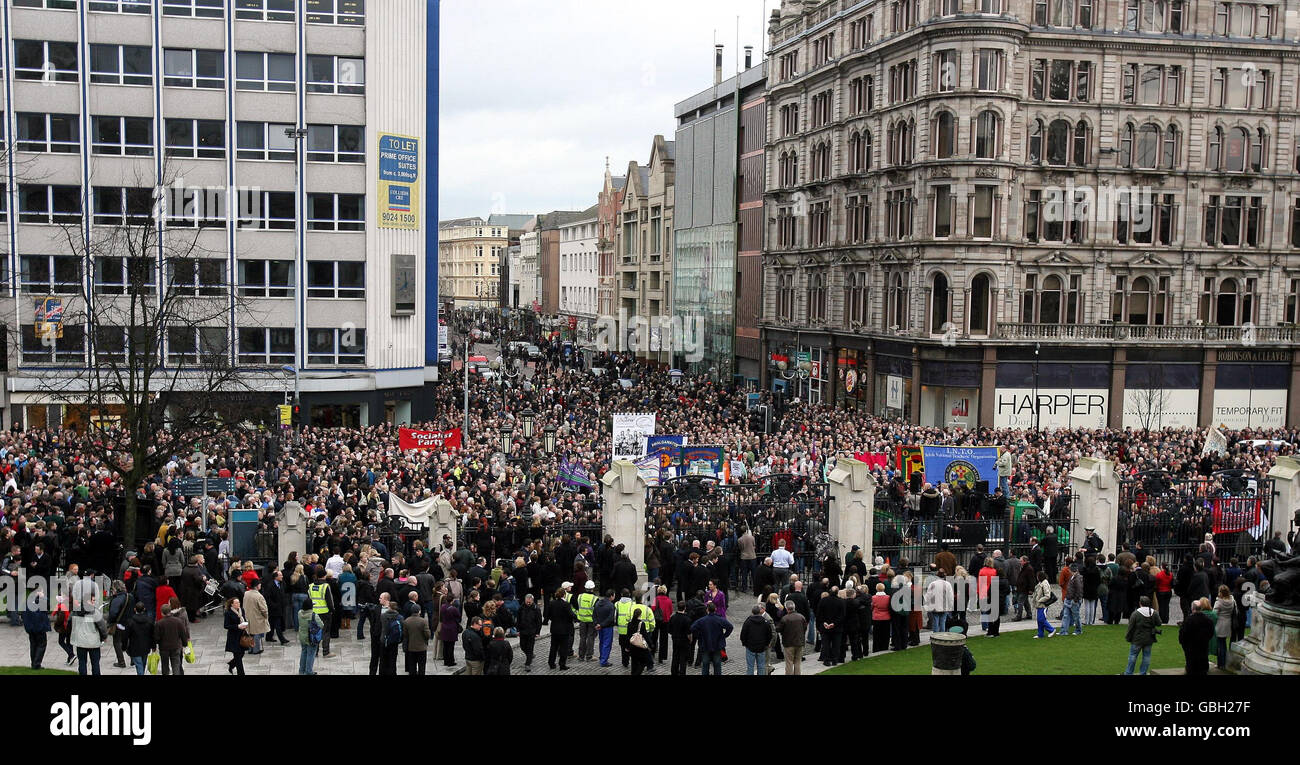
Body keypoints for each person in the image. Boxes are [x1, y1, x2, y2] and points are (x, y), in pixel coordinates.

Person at [689, 601, 733, 675]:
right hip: (717, 645)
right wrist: (724, 636)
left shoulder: (702, 620)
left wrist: (700, 634)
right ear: (715, 609)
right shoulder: (720, 619)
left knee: (705, 664)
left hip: (705, 644)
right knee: (717, 664)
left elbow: (692, 628)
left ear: (707, 610)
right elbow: (730, 627)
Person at [1123, 595, 1162, 675]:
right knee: (1146, 657)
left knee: (1133, 656)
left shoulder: (1135, 613)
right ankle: (1143, 672)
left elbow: (1130, 627)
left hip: (1137, 638)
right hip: (1149, 638)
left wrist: (1128, 637)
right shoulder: (1153, 612)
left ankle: (1128, 672)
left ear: (1140, 603)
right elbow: (1159, 623)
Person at [1179, 598, 1214, 676]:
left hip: (1191, 647)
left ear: (1192, 608)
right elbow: (1211, 633)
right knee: (1203, 664)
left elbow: (1182, 635)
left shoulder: (1188, 620)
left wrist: (1184, 644)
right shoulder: (1208, 620)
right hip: (1203, 646)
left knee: (1192, 666)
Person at [545, 583, 576, 670]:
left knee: (553, 647)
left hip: (554, 628)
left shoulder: (551, 603)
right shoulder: (566, 604)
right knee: (563, 648)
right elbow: (571, 615)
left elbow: (548, 615)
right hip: (564, 629)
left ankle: (551, 663)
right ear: (564, 595)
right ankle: (562, 664)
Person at [153, 603, 189, 676]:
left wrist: (154, 646)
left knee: (165, 666)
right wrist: (185, 644)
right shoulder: (178, 621)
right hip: (176, 646)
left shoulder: (159, 623)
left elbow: (156, 637)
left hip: (164, 648)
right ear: (170, 611)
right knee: (176, 665)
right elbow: (183, 634)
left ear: (162, 613)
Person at [740, 604, 773, 676]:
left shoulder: (748, 621)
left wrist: (745, 643)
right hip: (762, 647)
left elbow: (743, 634)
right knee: (761, 666)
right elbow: (769, 635)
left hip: (750, 647)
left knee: (750, 667)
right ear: (759, 612)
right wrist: (766, 644)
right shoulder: (765, 622)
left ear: (752, 612)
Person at [22, 592, 51, 671]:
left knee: (33, 645)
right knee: (41, 645)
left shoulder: (27, 603)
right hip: (39, 628)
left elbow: (23, 615)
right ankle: (36, 664)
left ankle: (33, 663)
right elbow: (49, 606)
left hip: (31, 628)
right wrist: (43, 597)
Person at [403, 601, 432, 676]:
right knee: (422, 667)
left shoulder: (407, 621)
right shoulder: (423, 621)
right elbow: (427, 635)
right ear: (419, 611)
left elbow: (405, 635)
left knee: (412, 667)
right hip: (421, 648)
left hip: (411, 648)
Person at [124, 603, 154, 675]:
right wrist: (153, 646)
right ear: (144, 609)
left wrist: (124, 646)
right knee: (142, 665)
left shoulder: (130, 622)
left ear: (135, 609)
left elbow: (125, 636)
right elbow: (152, 635)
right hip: (146, 647)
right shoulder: (149, 621)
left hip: (134, 647)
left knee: (139, 665)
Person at [779, 600, 807, 674]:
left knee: (789, 663)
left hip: (788, 644)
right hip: (799, 642)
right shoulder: (801, 617)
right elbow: (804, 628)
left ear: (786, 608)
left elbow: (779, 629)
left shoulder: (784, 618)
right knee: (798, 662)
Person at [223, 596, 249, 676]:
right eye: (236, 603)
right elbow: (226, 625)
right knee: (238, 656)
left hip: (242, 636)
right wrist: (237, 626)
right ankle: (241, 673)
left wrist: (245, 624)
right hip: (234, 637)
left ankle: (231, 664)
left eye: (239, 602)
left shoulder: (242, 610)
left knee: (241, 654)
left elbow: (243, 619)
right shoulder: (228, 613)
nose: (238, 604)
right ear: (232, 604)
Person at [243, 578, 269, 654]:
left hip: (248, 615)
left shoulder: (246, 593)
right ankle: (256, 649)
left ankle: (250, 649)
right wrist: (266, 616)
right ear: (257, 586)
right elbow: (264, 609)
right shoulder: (259, 596)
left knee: (250, 633)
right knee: (257, 633)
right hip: (257, 617)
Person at [516, 593, 542, 671]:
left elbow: (539, 621)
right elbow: (518, 619)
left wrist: (537, 632)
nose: (528, 603)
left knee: (530, 648)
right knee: (522, 646)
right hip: (523, 631)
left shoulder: (536, 608)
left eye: (529, 602)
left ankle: (528, 664)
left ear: (532, 601)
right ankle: (530, 655)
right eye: (527, 601)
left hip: (532, 632)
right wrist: (518, 630)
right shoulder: (521, 608)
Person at [574, 579, 598, 661]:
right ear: (593, 588)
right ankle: (589, 656)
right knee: (590, 638)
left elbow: (577, 607)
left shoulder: (580, 596)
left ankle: (581, 656)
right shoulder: (595, 598)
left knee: (582, 638)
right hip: (591, 621)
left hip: (582, 620)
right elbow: (596, 611)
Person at [1213, 585, 1236, 670]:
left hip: (1220, 624)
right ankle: (1224, 663)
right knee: (1224, 645)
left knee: (1220, 645)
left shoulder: (1218, 602)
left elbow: (1214, 614)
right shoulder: (1232, 600)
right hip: (1228, 623)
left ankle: (1221, 664)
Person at [626, 603, 653, 676]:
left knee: (634, 662)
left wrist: (627, 647)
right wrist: (650, 644)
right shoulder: (642, 624)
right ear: (640, 615)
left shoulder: (629, 624)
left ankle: (633, 672)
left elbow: (628, 636)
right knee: (643, 662)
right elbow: (645, 635)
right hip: (639, 646)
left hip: (632, 646)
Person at [298, 598, 322, 675]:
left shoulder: (299, 613)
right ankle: (308, 671)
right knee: (311, 654)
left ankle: (301, 670)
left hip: (302, 637)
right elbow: (321, 625)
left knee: (304, 652)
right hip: (311, 638)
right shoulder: (314, 615)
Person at [925, 570, 953, 634]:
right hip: (944, 606)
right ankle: (942, 635)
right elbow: (950, 597)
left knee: (935, 621)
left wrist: (928, 604)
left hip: (935, 606)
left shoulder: (932, 584)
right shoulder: (948, 584)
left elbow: (928, 595)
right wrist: (950, 606)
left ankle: (935, 636)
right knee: (943, 621)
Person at [1060, 563, 1083, 636]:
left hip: (1073, 600)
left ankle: (1078, 630)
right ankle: (1063, 631)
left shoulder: (1077, 578)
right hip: (1069, 598)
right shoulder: (1073, 577)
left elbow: (1079, 590)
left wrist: (1075, 600)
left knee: (1076, 616)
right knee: (1066, 615)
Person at [1032, 571, 1056, 639]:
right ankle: (1040, 634)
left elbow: (1047, 596)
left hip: (1043, 605)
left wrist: (1039, 600)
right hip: (1039, 605)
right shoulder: (1041, 583)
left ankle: (1051, 630)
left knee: (1041, 619)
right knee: (1039, 620)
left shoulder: (1044, 584)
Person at [439, 597, 461, 668]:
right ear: (452, 601)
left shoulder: (442, 607)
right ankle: (450, 661)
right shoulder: (453, 609)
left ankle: (446, 661)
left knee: (445, 646)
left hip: (444, 627)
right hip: (452, 628)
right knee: (451, 646)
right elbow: (458, 616)